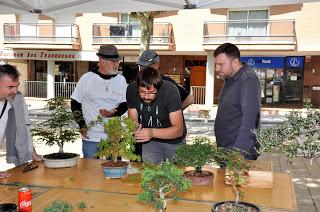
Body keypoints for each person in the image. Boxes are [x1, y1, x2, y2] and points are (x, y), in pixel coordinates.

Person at [134, 50, 193, 157]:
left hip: (174, 139)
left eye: (147, 66)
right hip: (151, 141)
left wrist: (174, 110)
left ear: (157, 64)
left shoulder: (168, 84)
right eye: (141, 66)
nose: (143, 70)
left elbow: (190, 99)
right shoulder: (136, 85)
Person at [71, 45, 127, 159]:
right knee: (91, 174)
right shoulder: (86, 79)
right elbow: (75, 103)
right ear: (101, 61)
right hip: (91, 138)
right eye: (113, 61)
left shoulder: (121, 80)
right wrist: (81, 124)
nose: (117, 64)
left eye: (117, 61)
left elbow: (125, 103)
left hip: (114, 138)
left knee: (114, 173)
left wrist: (115, 112)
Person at [127, 67, 186, 164]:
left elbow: (178, 130)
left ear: (158, 88)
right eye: (142, 92)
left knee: (178, 173)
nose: (146, 96)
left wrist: (152, 133)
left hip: (174, 141)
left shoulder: (170, 90)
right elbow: (132, 120)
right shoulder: (131, 89)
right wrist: (135, 129)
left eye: (151, 93)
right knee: (150, 172)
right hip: (150, 141)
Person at [214, 43, 261, 160]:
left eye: (221, 64)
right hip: (225, 149)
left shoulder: (248, 79)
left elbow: (251, 118)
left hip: (238, 153)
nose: (216, 69)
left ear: (234, 62)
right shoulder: (229, 78)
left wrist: (239, 153)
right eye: (216, 64)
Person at [0, 64, 41, 178]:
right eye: (10, 87)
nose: (15, 91)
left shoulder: (15, 99)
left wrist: (31, 151)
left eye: (17, 86)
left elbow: (23, 127)